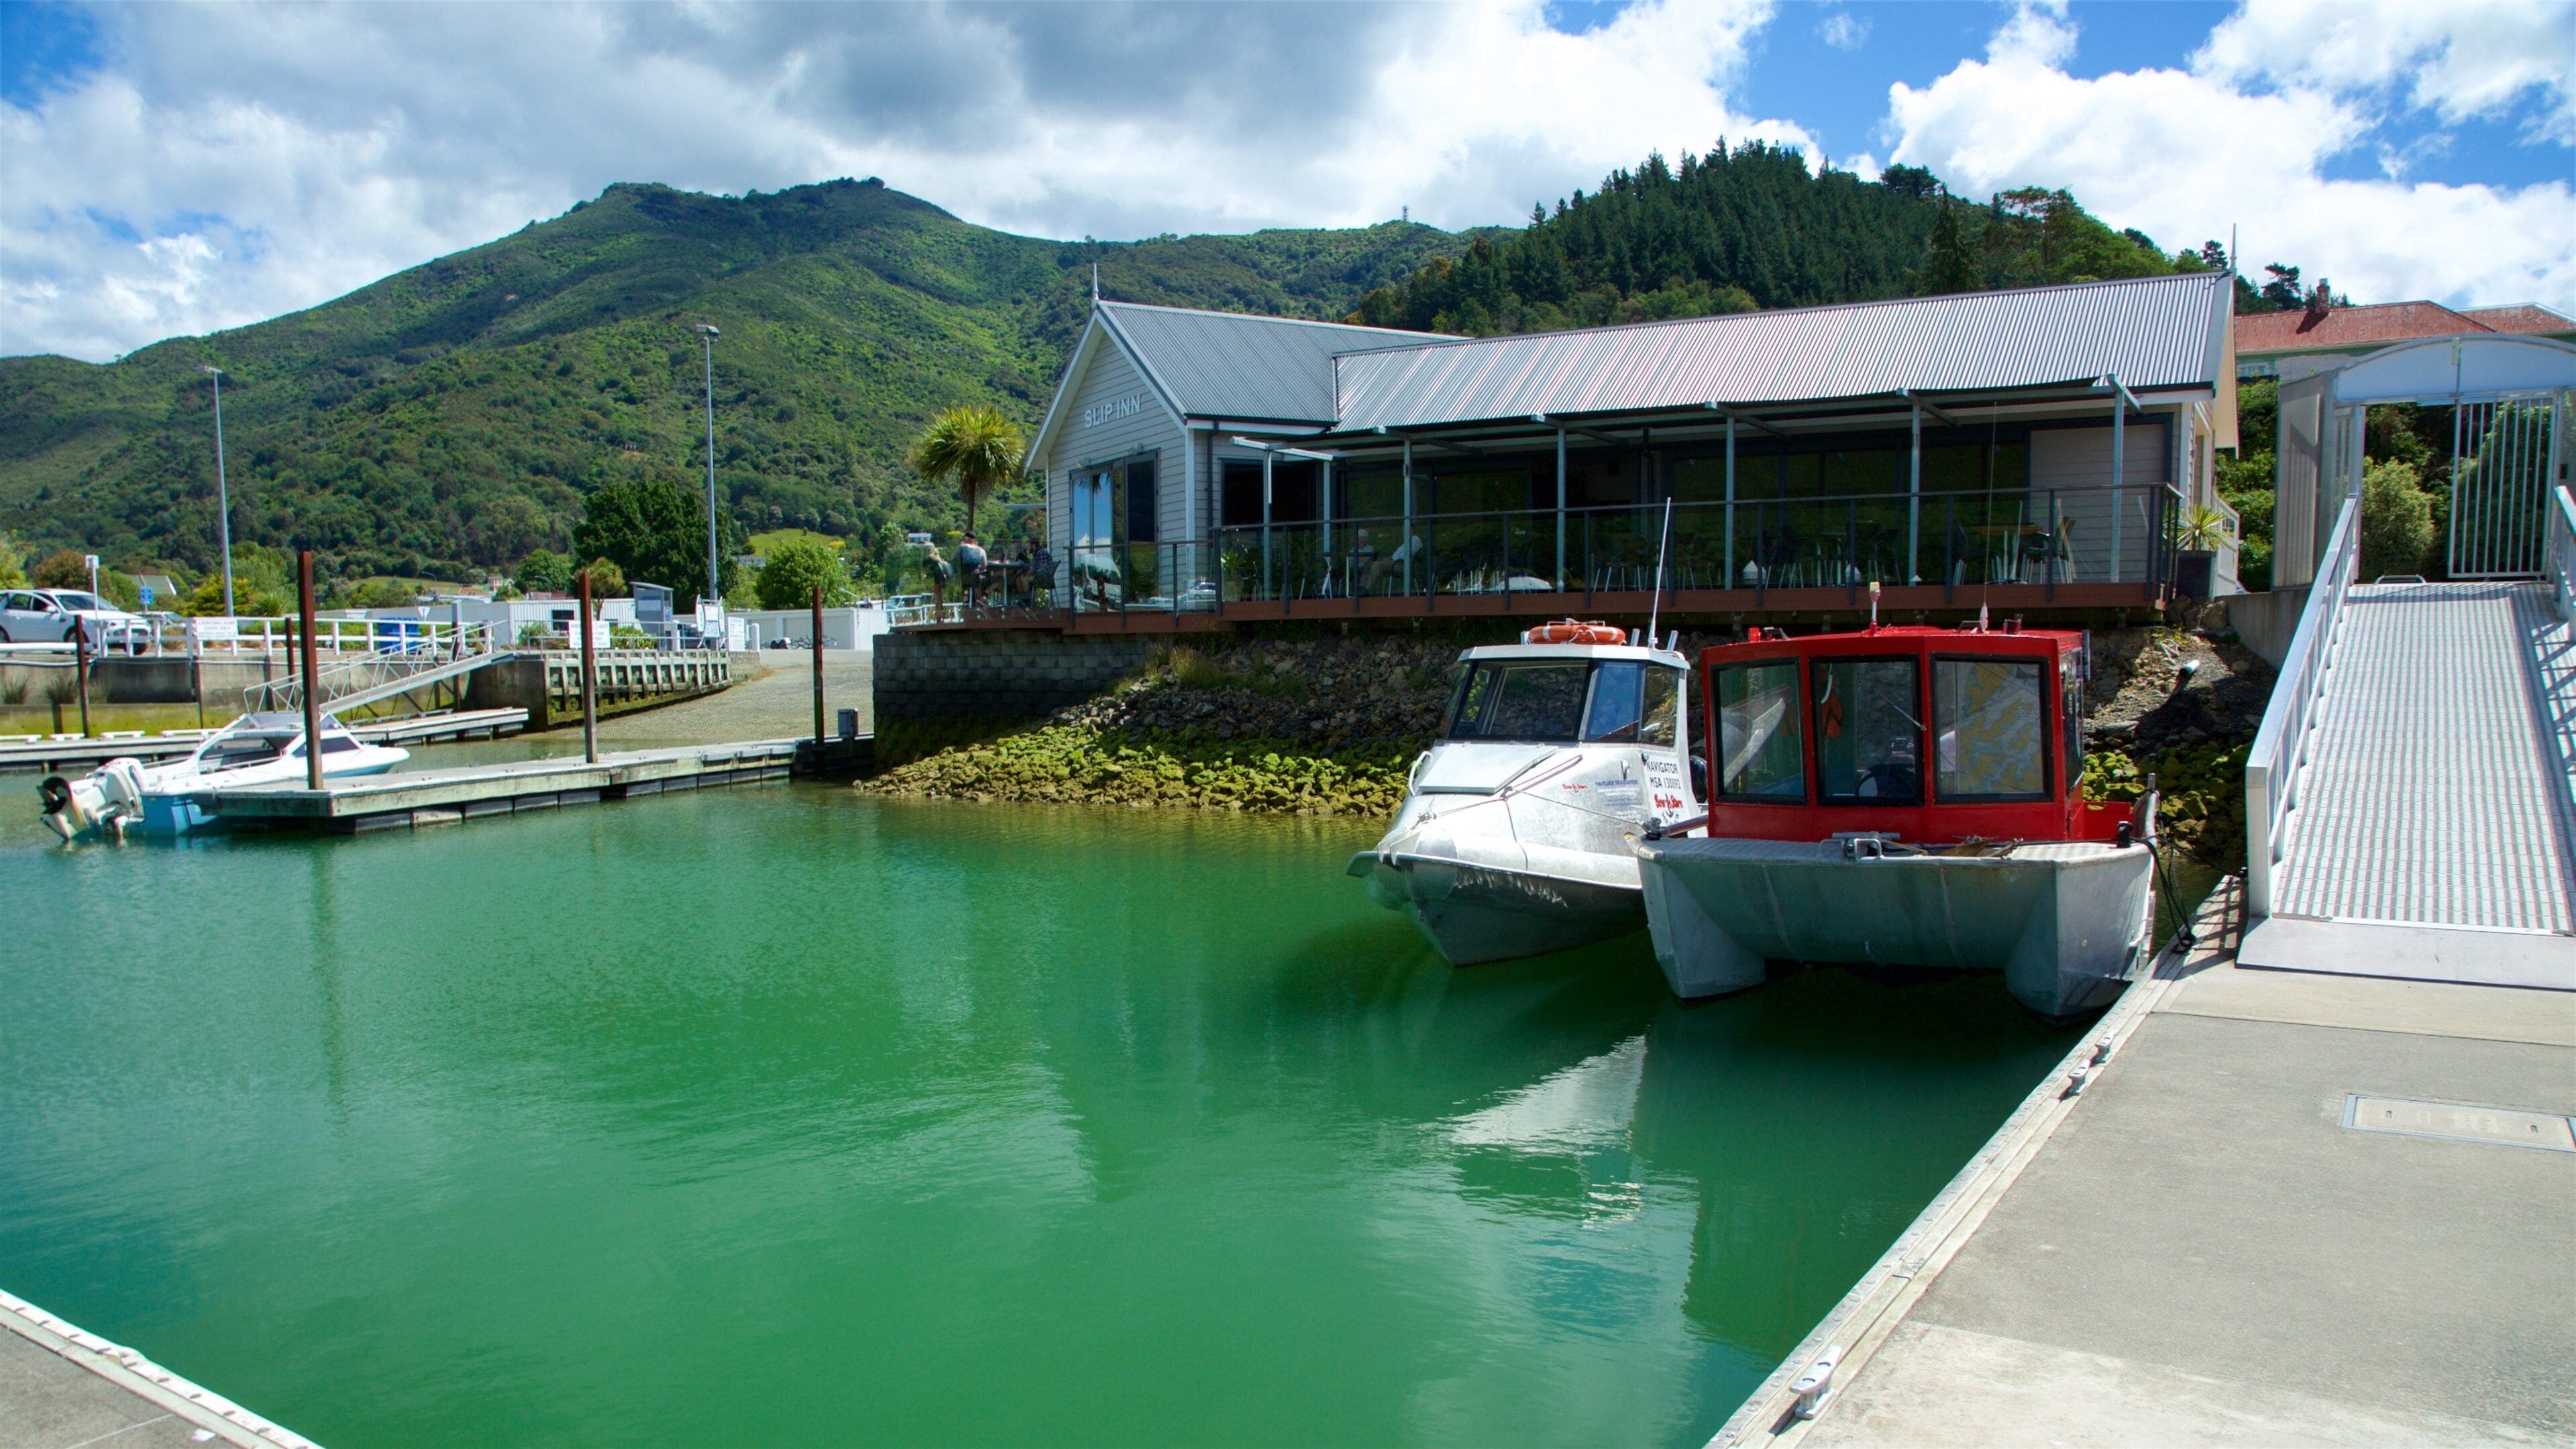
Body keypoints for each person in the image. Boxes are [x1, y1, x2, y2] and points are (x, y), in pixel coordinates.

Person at [957, 533, 989, 606]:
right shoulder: (981, 550)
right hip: (975, 578)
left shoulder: (961, 547)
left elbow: (954, 559)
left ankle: (969, 600)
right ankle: (980, 599)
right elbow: (984, 566)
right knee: (982, 580)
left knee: (972, 583)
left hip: (963, 579)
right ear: (975, 540)